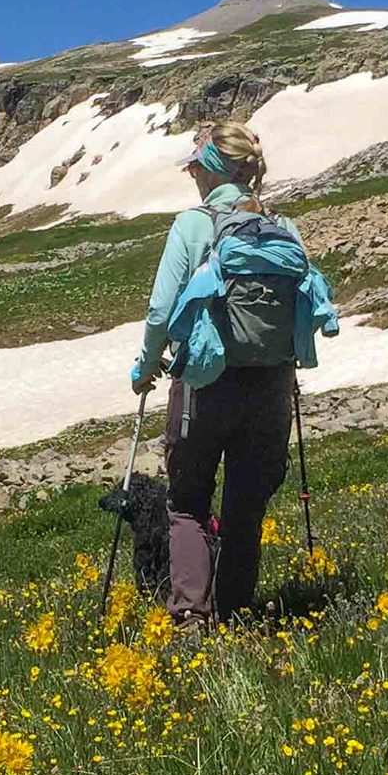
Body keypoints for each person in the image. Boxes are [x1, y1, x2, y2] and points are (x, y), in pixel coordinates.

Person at [129, 119, 329, 624]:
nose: (192, 174)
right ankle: (237, 617)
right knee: (246, 506)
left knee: (188, 500)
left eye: (195, 165)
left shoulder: (193, 224)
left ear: (211, 170)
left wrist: (145, 366)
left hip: (205, 384)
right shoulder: (283, 227)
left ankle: (191, 620)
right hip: (272, 386)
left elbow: (160, 310)